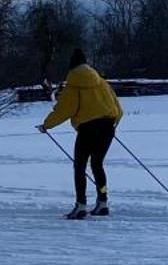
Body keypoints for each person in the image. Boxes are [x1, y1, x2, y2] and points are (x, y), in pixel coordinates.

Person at [39, 47, 123, 219]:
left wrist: (46, 125)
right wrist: (112, 123)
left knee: (80, 167)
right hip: (108, 127)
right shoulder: (103, 83)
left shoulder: (73, 87)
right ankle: (103, 201)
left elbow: (64, 110)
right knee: (98, 165)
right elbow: (118, 109)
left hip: (87, 130)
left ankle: (81, 205)